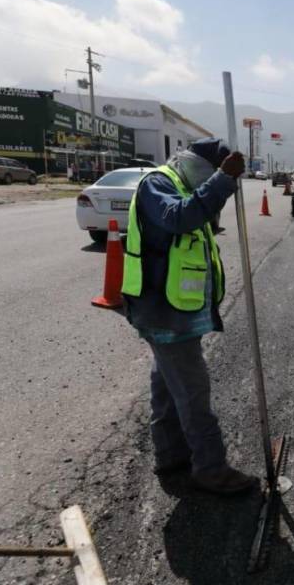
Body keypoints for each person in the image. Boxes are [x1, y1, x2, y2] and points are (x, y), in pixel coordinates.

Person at [121, 137, 258, 495]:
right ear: (198, 163)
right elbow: (178, 219)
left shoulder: (184, 184)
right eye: (212, 171)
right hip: (165, 314)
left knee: (167, 388)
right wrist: (222, 181)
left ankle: (171, 458)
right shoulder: (158, 184)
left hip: (174, 311)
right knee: (193, 394)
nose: (214, 176)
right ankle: (211, 469)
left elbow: (198, 225)